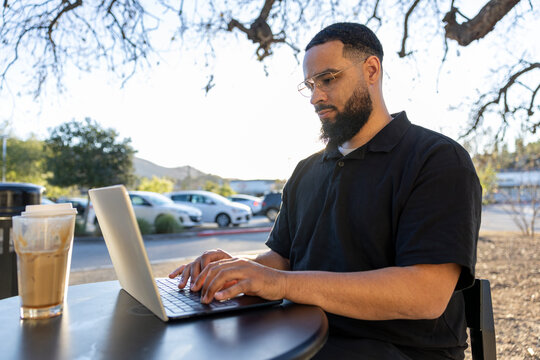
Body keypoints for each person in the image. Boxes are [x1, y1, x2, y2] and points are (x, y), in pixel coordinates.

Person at [169, 22, 482, 359]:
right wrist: (236, 271)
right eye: (311, 84)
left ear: (371, 70)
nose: (316, 96)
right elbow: (282, 259)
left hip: (399, 350)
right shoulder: (306, 170)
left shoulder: (436, 159)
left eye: (328, 79)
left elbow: (426, 294)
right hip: (298, 336)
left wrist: (281, 284)